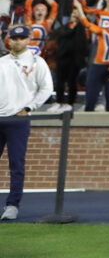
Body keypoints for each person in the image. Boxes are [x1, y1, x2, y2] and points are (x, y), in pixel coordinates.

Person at [0, 25, 54, 221]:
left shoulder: (36, 62)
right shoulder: (2, 61)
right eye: (14, 38)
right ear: (9, 40)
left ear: (28, 39)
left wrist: (30, 107)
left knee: (16, 164)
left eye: (21, 38)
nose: (17, 41)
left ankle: (12, 205)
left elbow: (47, 88)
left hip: (18, 119)